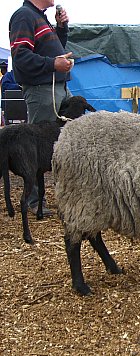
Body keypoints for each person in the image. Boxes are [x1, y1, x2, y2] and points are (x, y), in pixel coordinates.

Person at [9, 0, 74, 215]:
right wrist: (53, 64)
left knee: (66, 139)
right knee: (38, 145)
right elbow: (21, 57)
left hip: (57, 87)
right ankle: (35, 200)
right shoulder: (24, 16)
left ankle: (61, 196)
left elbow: (54, 50)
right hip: (42, 90)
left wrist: (61, 29)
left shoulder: (39, 17)